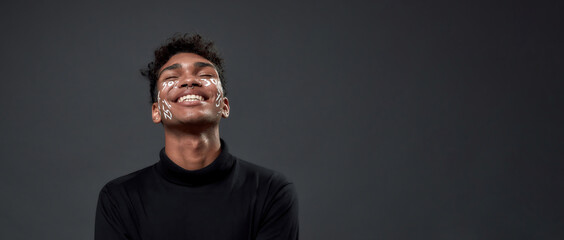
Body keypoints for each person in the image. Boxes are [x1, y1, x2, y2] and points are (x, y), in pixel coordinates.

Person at [95, 34, 299, 240]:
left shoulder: (271, 191)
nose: (189, 81)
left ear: (224, 106)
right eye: (171, 78)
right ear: (156, 111)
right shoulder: (119, 199)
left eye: (204, 74)